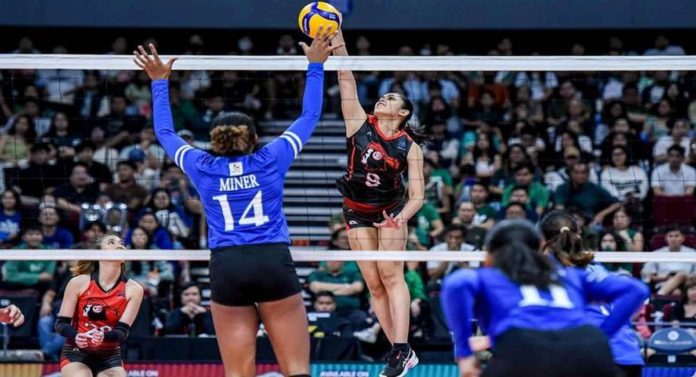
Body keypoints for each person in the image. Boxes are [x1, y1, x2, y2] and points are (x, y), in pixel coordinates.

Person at [134, 30, 340, 377]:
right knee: (297, 371)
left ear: (214, 143)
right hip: (271, 260)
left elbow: (165, 135)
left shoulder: (202, 166)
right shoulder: (271, 158)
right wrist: (316, 66)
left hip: (227, 267)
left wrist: (159, 81)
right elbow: (309, 117)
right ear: (255, 139)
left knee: (237, 374)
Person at [441, 220, 648, 377]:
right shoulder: (570, 275)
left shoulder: (494, 276)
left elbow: (456, 284)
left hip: (524, 347)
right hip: (588, 348)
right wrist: (603, 334)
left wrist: (464, 353)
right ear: (538, 247)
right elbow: (636, 290)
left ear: (490, 253)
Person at [332, 28, 424, 377]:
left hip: (390, 212)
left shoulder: (410, 147)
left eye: (391, 100)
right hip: (356, 210)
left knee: (391, 275)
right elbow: (345, 78)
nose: (382, 101)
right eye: (382, 98)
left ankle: (400, 351)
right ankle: (401, 350)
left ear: (403, 114)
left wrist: (400, 218)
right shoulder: (358, 123)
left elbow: (418, 196)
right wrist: (338, 39)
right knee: (372, 282)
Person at [540, 211, 645, 377]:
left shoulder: (548, 269)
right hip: (628, 356)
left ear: (542, 239)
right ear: (578, 234)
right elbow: (637, 292)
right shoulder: (595, 266)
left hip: (589, 358)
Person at [55, 234, 144, 377]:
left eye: (121, 243)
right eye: (111, 242)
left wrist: (104, 336)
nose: (120, 245)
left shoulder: (134, 289)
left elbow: (122, 332)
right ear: (98, 254)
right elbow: (61, 324)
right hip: (76, 351)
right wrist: (76, 336)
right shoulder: (78, 282)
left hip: (109, 354)